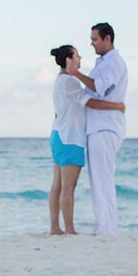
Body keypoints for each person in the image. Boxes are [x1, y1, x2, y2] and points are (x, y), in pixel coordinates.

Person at [49, 45, 125, 235]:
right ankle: (69, 230)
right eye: (77, 55)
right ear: (68, 60)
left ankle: (55, 228)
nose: (80, 58)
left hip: (58, 135)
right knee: (69, 187)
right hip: (70, 138)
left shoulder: (59, 80)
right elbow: (89, 102)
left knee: (57, 185)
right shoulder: (70, 82)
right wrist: (116, 106)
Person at [71, 22, 128, 235]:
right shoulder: (103, 63)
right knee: (99, 180)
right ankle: (104, 226)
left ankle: (107, 229)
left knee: (103, 180)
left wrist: (76, 74)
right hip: (97, 127)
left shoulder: (114, 63)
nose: (91, 43)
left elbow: (100, 88)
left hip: (105, 127)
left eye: (95, 39)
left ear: (107, 39)